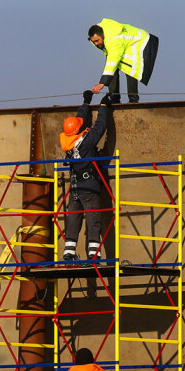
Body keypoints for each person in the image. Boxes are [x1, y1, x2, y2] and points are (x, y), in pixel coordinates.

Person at [60, 90, 113, 262]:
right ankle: (93, 254)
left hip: (75, 187)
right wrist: (104, 105)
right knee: (93, 219)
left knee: (73, 219)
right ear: (78, 130)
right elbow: (100, 126)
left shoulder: (69, 143)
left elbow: (78, 120)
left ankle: (68, 253)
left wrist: (85, 102)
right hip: (89, 187)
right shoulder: (87, 141)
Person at [88, 19, 159, 104]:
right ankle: (114, 99)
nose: (95, 44)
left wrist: (102, 83)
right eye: (93, 41)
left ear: (102, 36)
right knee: (113, 70)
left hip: (141, 42)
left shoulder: (113, 41)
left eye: (97, 41)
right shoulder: (100, 30)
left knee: (129, 67)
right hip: (125, 44)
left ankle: (133, 99)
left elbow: (112, 61)